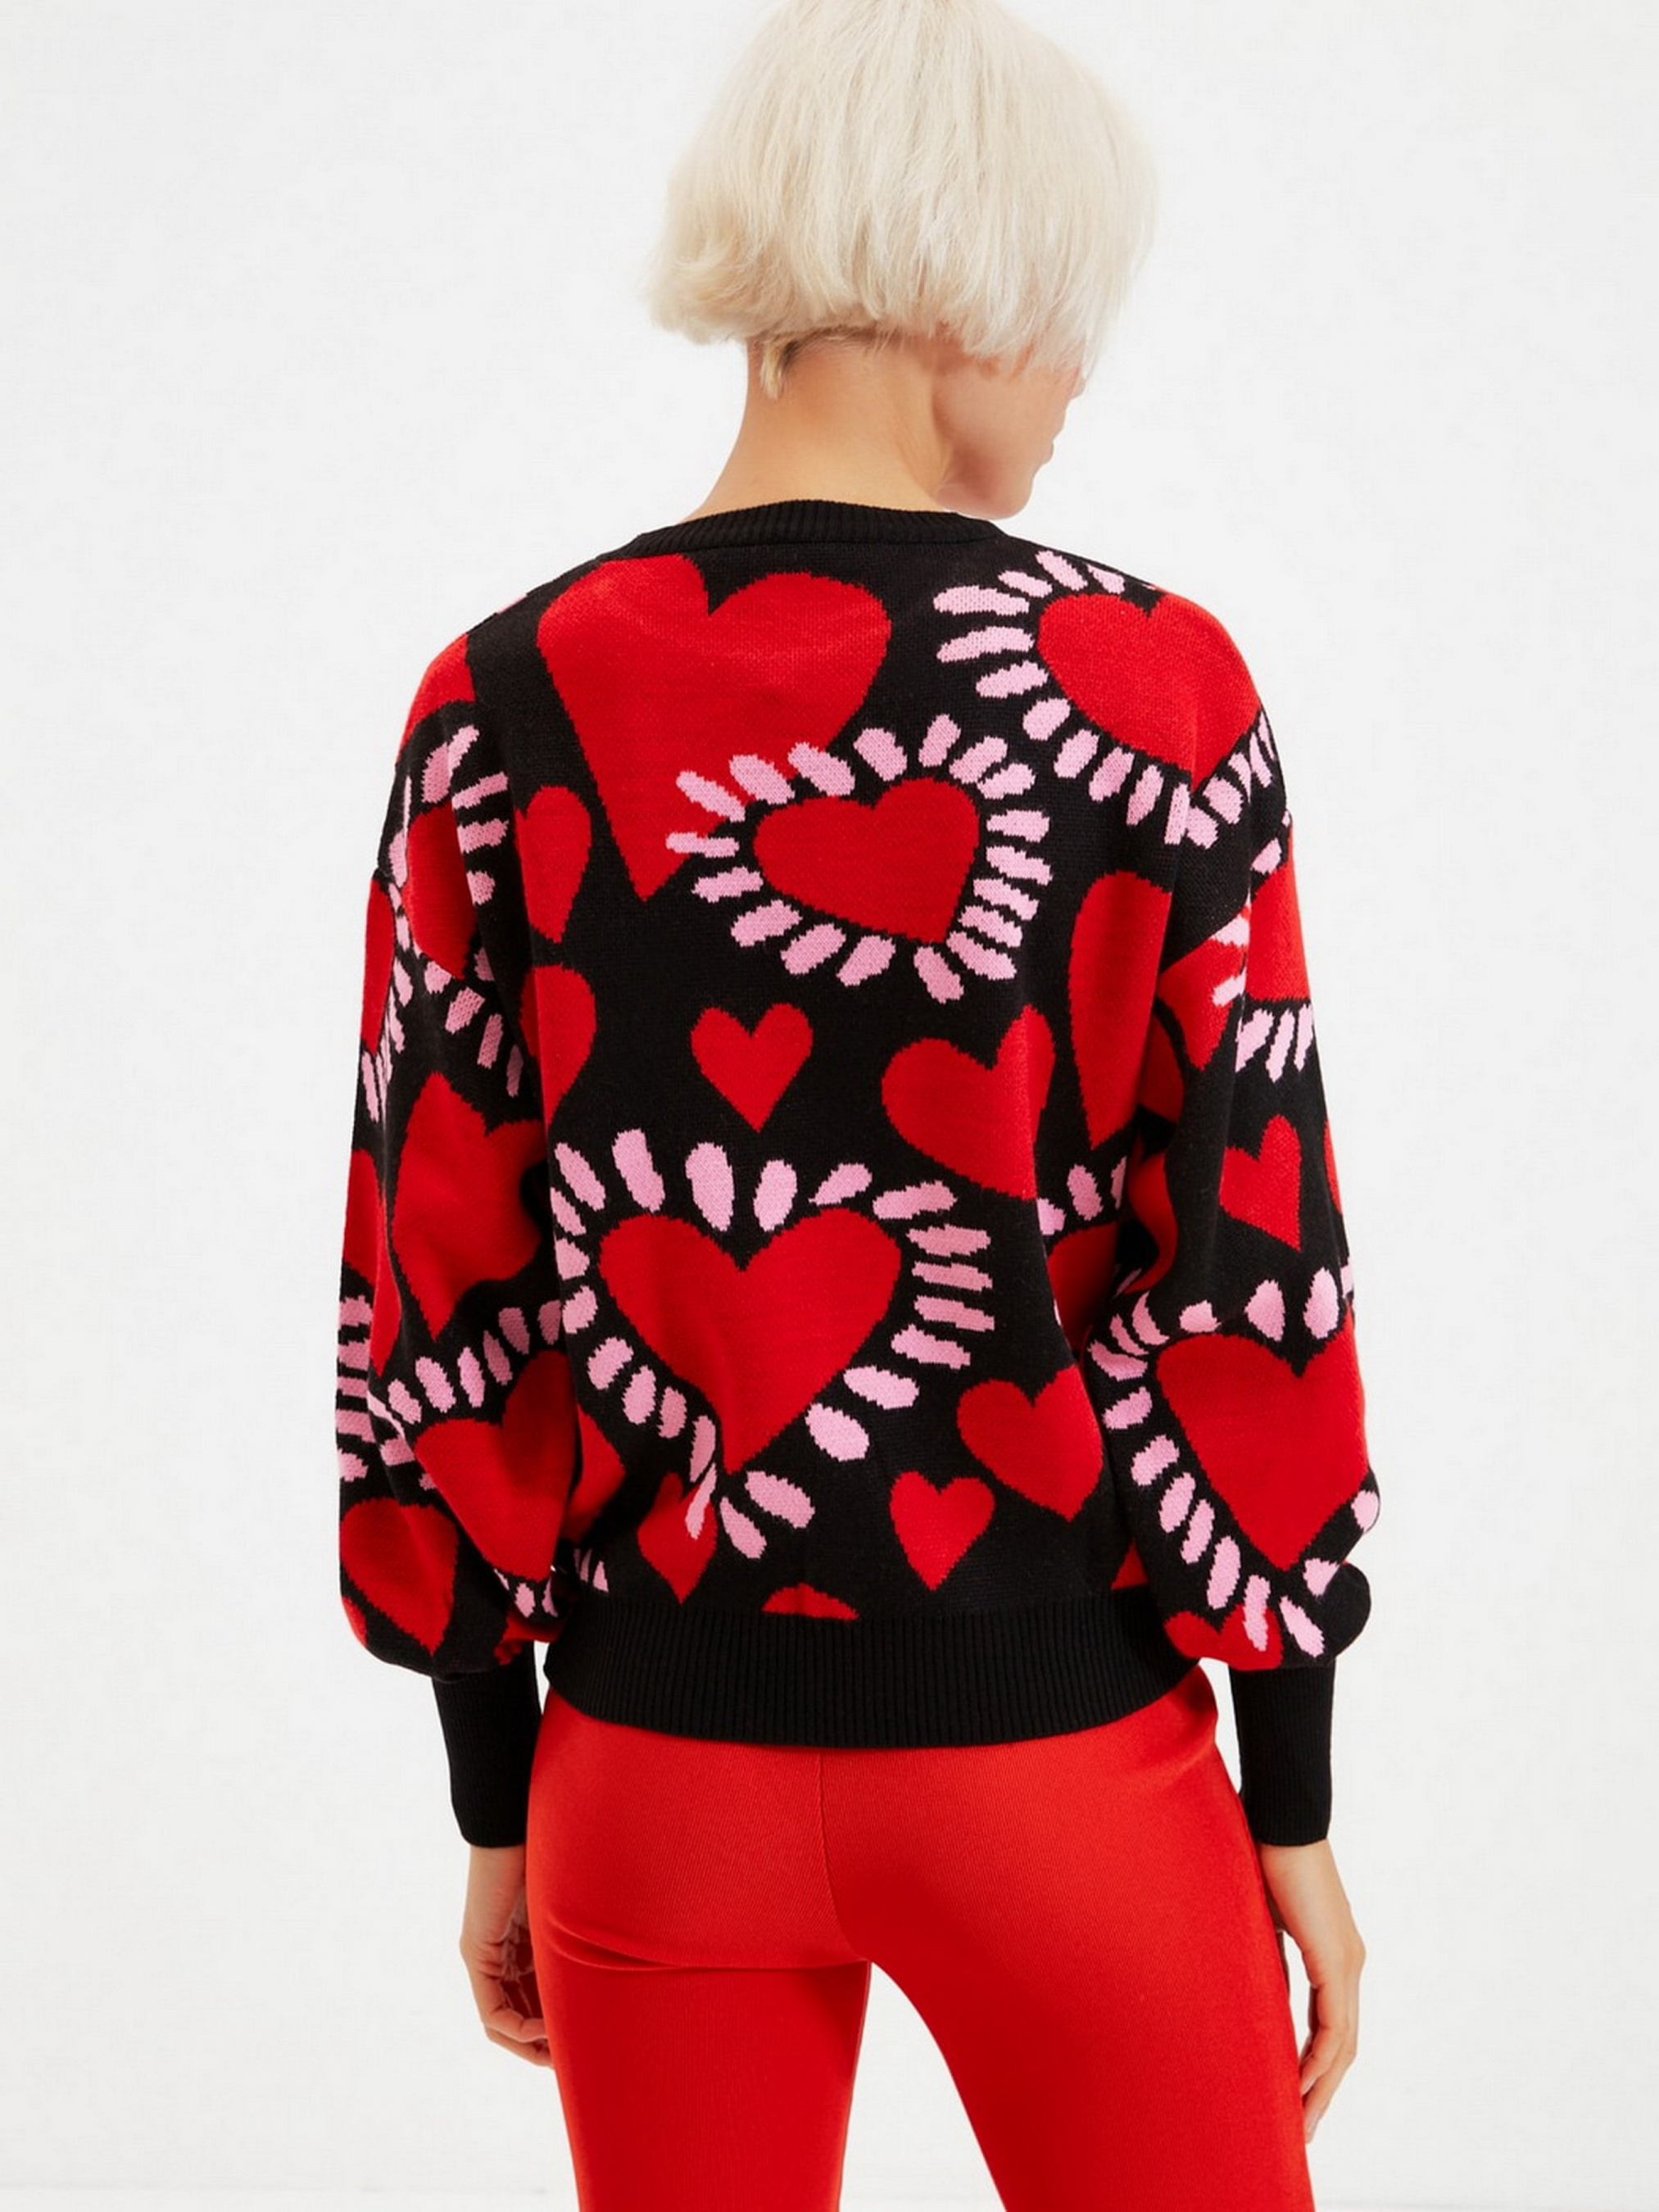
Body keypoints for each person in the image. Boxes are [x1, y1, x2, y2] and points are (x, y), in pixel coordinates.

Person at [333, 1, 1378, 2203]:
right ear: (960, 284)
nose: (1078, 378)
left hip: (647, 1768)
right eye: (1069, 312)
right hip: (1057, 1765)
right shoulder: (1147, 690)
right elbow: (1248, 1268)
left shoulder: (498, 703)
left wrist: (496, 1786)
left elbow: (436, 1289)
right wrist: (1287, 1786)